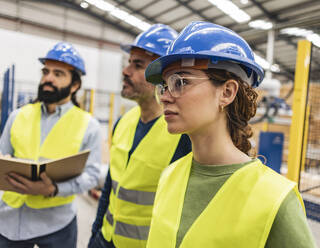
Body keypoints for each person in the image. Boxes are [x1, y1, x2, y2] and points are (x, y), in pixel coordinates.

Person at [144, 21, 317, 248]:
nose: (165, 96)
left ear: (226, 92)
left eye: (181, 82)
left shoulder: (276, 201)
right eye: (164, 86)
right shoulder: (170, 176)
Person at [88, 24, 192, 248]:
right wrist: (95, 234)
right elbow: (110, 187)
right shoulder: (123, 122)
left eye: (137, 65)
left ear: (162, 74)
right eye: (129, 63)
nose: (126, 71)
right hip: (105, 239)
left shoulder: (184, 136)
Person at [0, 42, 102, 247]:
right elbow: (2, 157)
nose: (48, 78)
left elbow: (91, 175)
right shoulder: (18, 116)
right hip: (10, 221)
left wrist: (54, 189)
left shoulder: (88, 125)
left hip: (57, 224)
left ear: (74, 85)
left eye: (58, 74)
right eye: (45, 71)